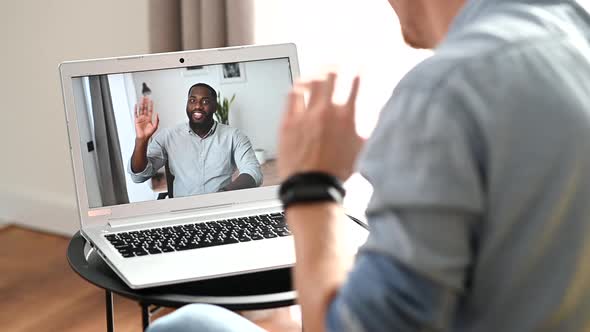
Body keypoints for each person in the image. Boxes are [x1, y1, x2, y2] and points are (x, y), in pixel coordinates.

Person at [147, 0, 590, 331]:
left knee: (185, 326)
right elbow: (142, 171)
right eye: (193, 99)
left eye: (205, 98)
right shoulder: (576, 28)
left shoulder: (446, 90)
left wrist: (311, 186)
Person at [129, 83, 262, 197]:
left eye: (205, 101)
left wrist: (223, 194)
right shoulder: (168, 136)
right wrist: (141, 140)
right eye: (192, 100)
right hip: (183, 213)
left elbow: (253, 172)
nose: (198, 106)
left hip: (222, 208)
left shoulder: (235, 136)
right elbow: (139, 176)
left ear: (215, 107)